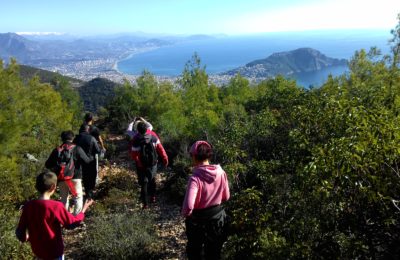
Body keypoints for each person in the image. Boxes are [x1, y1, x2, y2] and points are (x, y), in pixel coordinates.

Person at [15, 171, 94, 260]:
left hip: (38, 252)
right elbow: (71, 223)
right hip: (54, 252)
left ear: (37, 187)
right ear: (53, 187)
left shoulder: (28, 206)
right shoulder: (56, 206)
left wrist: (25, 238)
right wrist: (83, 210)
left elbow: (20, 231)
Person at [181, 140, 230, 260]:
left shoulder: (195, 178)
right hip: (218, 218)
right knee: (214, 252)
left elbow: (188, 207)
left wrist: (185, 214)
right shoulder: (221, 172)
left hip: (198, 222)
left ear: (194, 156)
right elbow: (226, 197)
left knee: (194, 251)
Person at [45, 130, 94, 215]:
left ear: (62, 139)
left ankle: (64, 218)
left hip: (61, 177)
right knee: (78, 197)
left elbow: (47, 164)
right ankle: (76, 219)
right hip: (75, 177)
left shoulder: (57, 150)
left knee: (64, 198)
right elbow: (87, 161)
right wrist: (91, 157)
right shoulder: (77, 148)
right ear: (73, 138)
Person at [129, 121, 168, 209]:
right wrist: (165, 160)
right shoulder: (154, 138)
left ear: (138, 130)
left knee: (144, 184)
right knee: (153, 180)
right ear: (147, 129)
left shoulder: (136, 140)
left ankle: (145, 204)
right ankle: (153, 197)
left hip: (141, 165)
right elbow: (161, 150)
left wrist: (139, 162)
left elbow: (133, 155)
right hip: (153, 164)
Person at [74, 124, 101, 199]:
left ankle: (87, 192)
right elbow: (97, 150)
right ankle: (90, 192)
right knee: (92, 175)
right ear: (87, 130)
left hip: (80, 161)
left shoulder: (76, 138)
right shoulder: (91, 138)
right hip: (91, 160)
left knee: (85, 176)